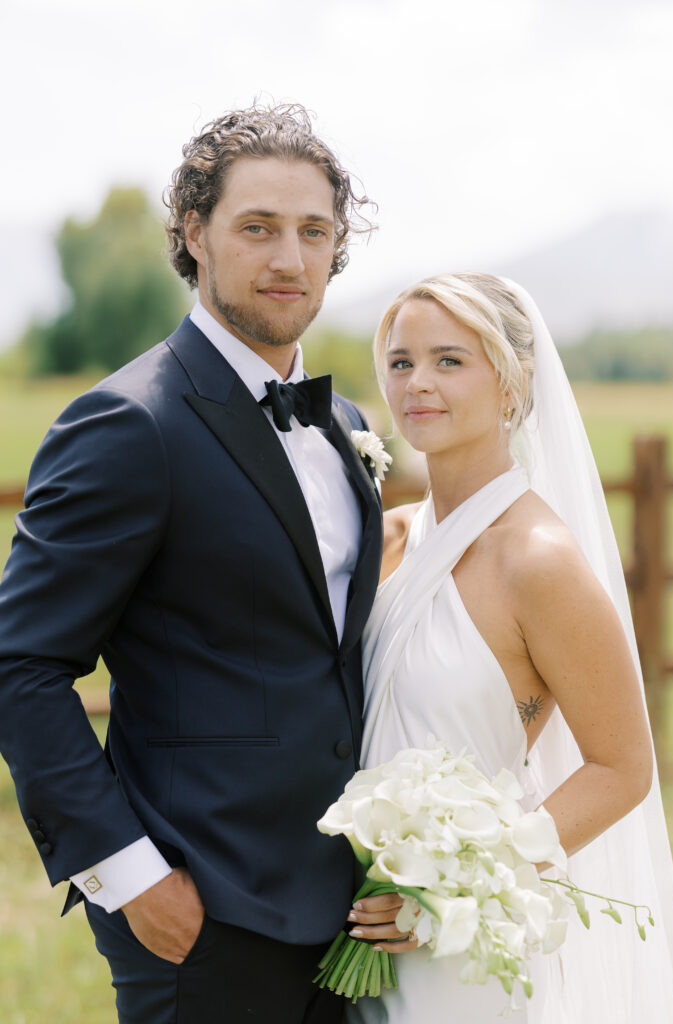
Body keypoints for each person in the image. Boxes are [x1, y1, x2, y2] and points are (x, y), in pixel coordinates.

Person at [0, 103, 384, 1024]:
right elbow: (22, 664)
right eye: (257, 228)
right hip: (205, 911)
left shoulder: (347, 425)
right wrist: (129, 877)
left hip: (354, 914)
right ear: (193, 234)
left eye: (314, 231)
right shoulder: (128, 424)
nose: (289, 258)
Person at [343, 273, 673, 1022]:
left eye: (449, 360)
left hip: (459, 946)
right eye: (400, 362)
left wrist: (450, 887)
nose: (417, 383)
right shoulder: (388, 538)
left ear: (513, 382)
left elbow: (621, 767)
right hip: (353, 920)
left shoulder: (538, 561)